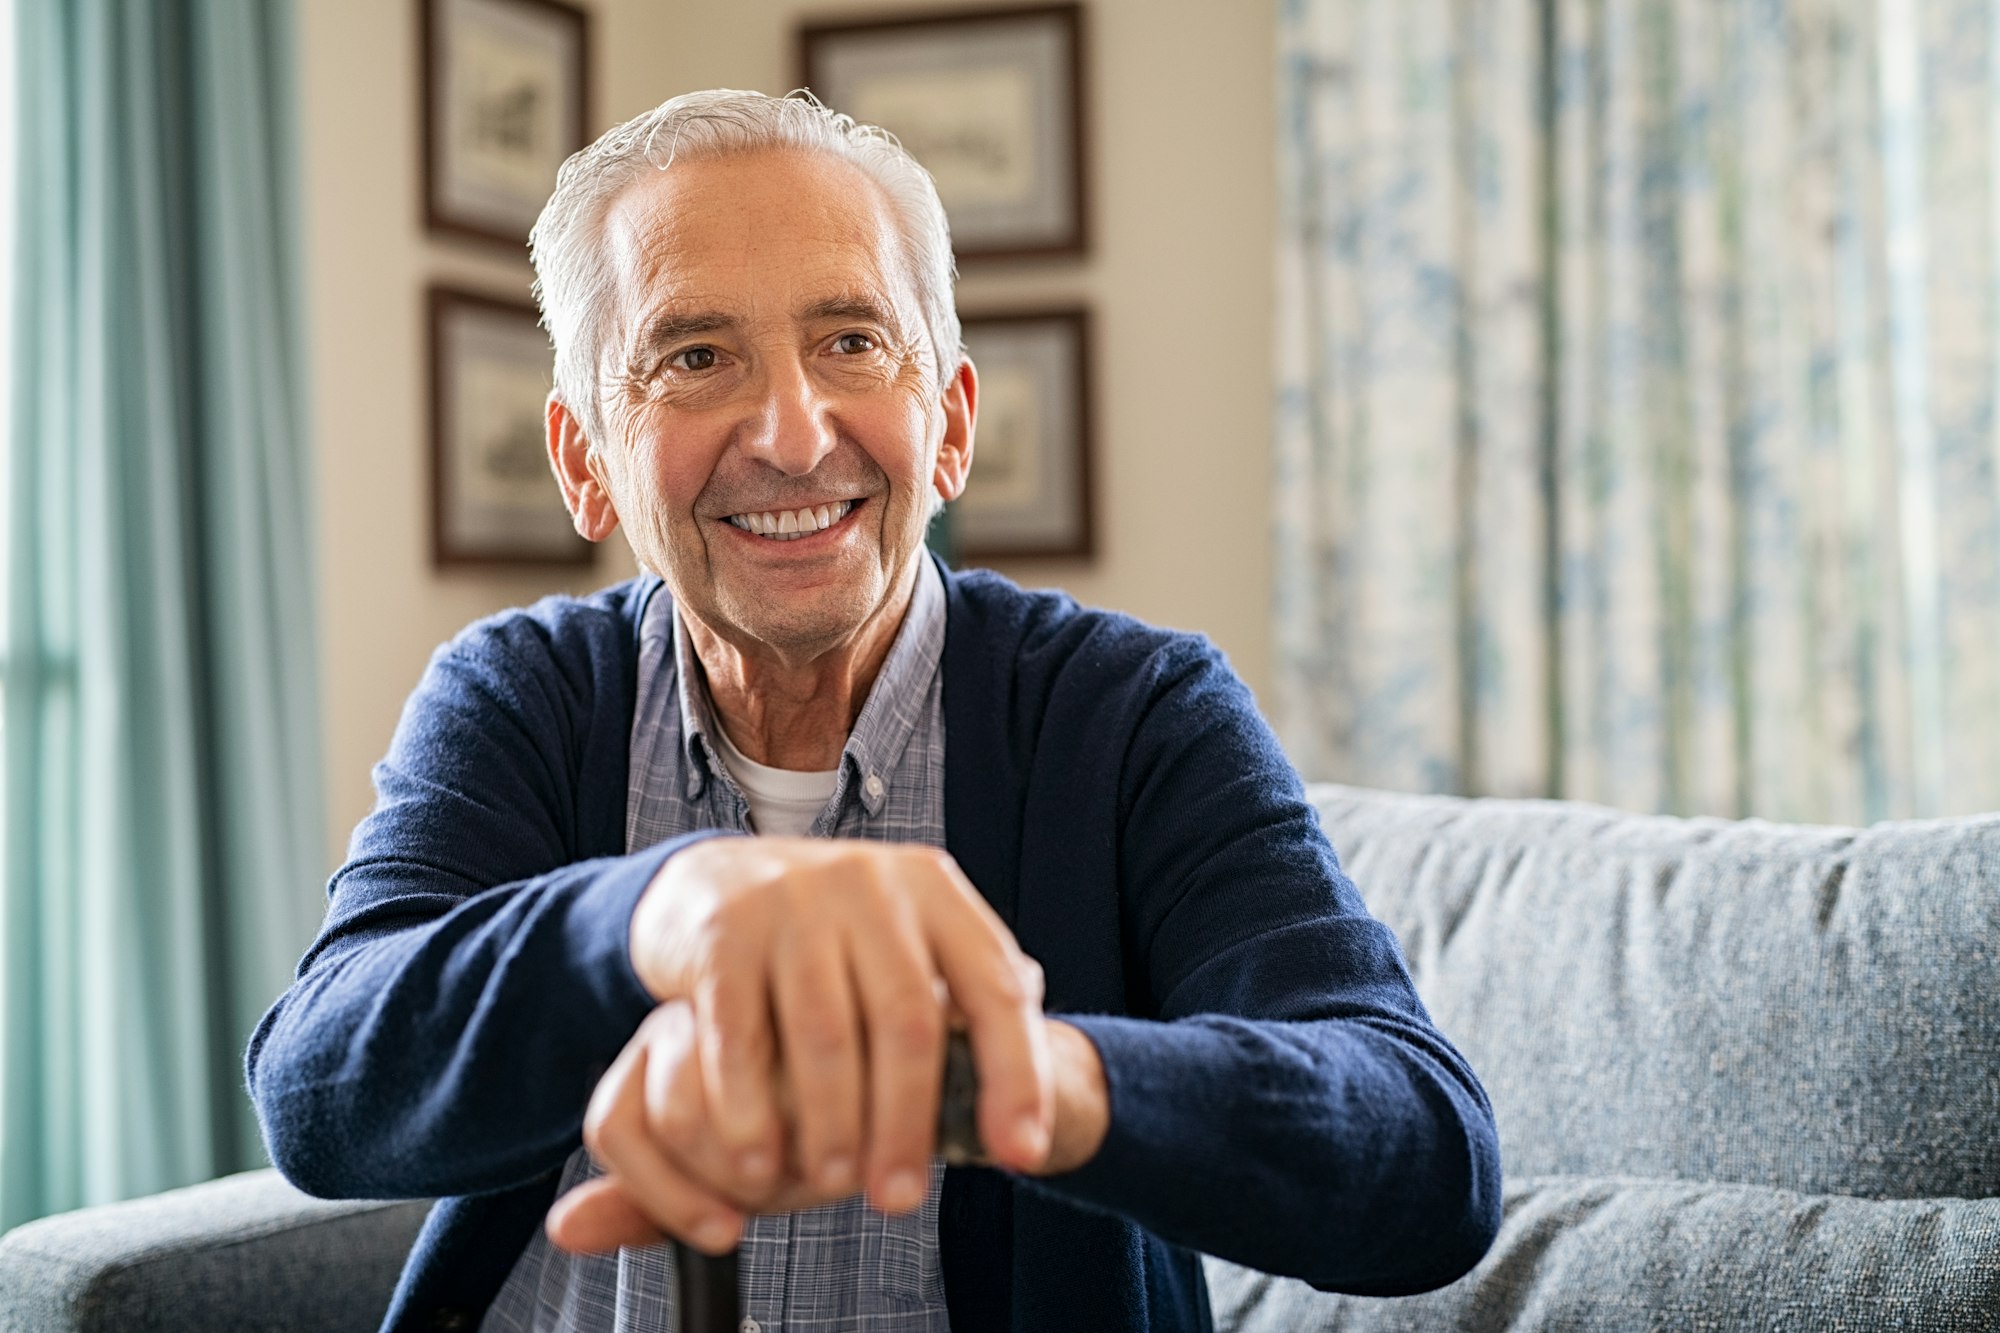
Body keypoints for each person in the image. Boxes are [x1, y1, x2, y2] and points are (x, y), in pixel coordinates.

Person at [247, 90, 1501, 1333]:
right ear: (585, 461)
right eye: (695, 358)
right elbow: (318, 1091)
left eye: (851, 341)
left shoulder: (1134, 715)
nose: (792, 438)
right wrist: (656, 911)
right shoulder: (519, 692)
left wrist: (999, 1078)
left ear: (947, 425)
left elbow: (1423, 1157)